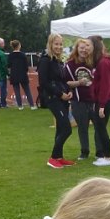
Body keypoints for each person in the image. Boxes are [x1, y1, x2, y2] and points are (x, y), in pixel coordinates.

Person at [38, 33, 75, 169]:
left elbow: (62, 80)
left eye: (60, 44)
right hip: (53, 98)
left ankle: (59, 157)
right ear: (50, 44)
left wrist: (68, 91)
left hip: (63, 97)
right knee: (66, 128)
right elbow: (44, 82)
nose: (59, 47)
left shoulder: (59, 61)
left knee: (60, 128)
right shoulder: (45, 60)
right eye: (56, 44)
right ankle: (53, 157)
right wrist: (60, 94)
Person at [65, 38, 97, 159]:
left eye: (86, 47)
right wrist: (78, 83)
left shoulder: (94, 63)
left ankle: (100, 152)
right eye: (81, 47)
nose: (84, 50)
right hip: (79, 102)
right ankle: (85, 151)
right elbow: (66, 83)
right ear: (77, 49)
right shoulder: (70, 64)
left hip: (94, 101)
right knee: (82, 128)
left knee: (99, 127)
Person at [88, 36, 110, 166]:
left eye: (89, 46)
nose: (87, 48)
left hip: (104, 101)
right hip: (101, 100)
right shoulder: (100, 62)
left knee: (101, 129)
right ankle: (105, 155)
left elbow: (105, 85)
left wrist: (102, 105)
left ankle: (108, 157)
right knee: (99, 128)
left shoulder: (103, 63)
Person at [8, 40, 35, 110]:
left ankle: (20, 106)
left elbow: (8, 65)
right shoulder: (23, 55)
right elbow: (26, 66)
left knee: (17, 91)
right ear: (19, 45)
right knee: (27, 90)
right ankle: (32, 105)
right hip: (22, 74)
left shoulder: (10, 55)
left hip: (14, 75)